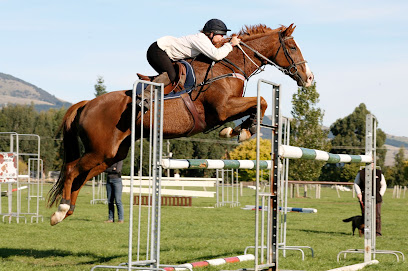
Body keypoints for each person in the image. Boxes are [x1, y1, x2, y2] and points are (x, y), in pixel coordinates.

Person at [138, 18, 241, 109]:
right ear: (212, 33)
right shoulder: (201, 40)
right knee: (171, 75)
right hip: (158, 50)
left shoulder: (205, 41)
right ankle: (144, 97)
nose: (223, 38)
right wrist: (231, 44)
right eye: (221, 35)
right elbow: (216, 55)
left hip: (165, 53)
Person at [354, 167, 386, 236]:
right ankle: (365, 231)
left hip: (377, 198)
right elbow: (356, 184)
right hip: (364, 197)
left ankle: (377, 233)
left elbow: (383, 185)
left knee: (377, 216)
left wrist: (380, 194)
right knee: (365, 215)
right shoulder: (361, 173)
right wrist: (359, 193)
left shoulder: (379, 173)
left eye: (372, 162)